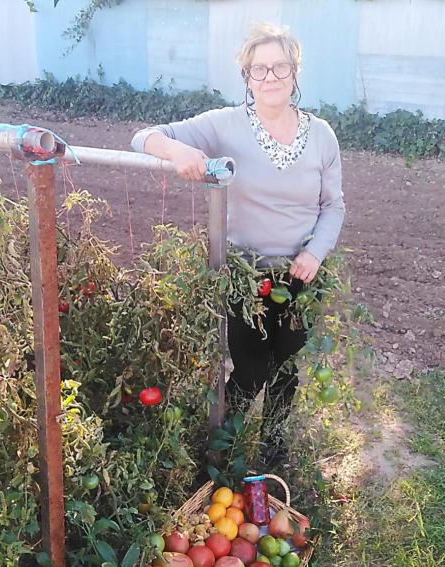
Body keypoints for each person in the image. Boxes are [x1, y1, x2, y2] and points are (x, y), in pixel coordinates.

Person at [131, 22, 346, 463]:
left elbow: (334, 206)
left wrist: (314, 253)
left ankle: (273, 448)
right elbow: (143, 137)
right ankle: (224, 449)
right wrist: (178, 152)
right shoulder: (225, 125)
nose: (270, 77)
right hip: (246, 275)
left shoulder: (321, 135)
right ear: (246, 78)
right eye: (258, 69)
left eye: (279, 67)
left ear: (295, 72)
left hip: (299, 274)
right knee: (250, 367)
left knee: (286, 364)